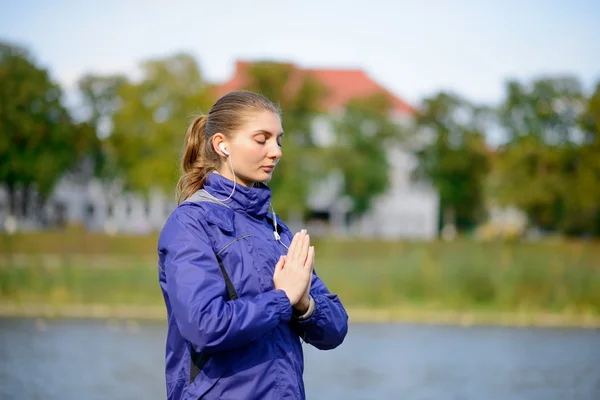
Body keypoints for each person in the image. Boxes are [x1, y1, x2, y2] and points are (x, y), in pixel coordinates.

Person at [157, 90, 349, 400]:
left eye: (279, 140)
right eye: (262, 140)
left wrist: (303, 305)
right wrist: (282, 299)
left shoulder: (275, 230)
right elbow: (204, 326)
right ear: (222, 145)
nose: (276, 151)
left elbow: (336, 328)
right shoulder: (190, 224)